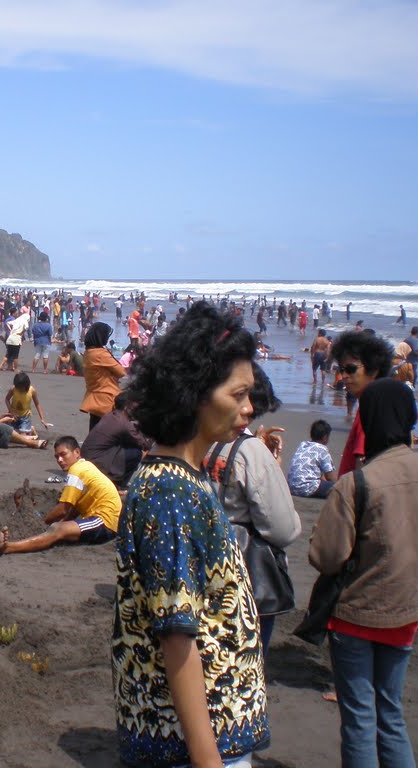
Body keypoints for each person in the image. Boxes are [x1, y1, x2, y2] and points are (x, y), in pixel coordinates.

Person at [112, 301, 268, 768]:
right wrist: (207, 760)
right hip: (195, 745)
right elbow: (176, 634)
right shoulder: (169, 491)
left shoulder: (188, 475)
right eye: (238, 394)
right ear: (194, 393)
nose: (249, 407)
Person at [308, 377, 418, 767]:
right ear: (412, 418)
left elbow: (327, 557)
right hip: (405, 611)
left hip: (354, 615)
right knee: (392, 713)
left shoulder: (355, 484)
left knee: (360, 719)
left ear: (366, 420)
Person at [205, 364, 301, 652]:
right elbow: (282, 528)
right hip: (242, 573)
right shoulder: (250, 451)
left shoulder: (198, 442)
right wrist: (268, 462)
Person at [0, 436, 121, 555]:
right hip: (106, 521)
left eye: (63, 454)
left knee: (58, 530)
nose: (59, 460)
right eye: (56, 457)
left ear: (77, 452)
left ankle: (8, 547)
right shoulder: (85, 467)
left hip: (106, 523)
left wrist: (40, 523)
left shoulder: (77, 470)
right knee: (59, 529)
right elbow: (74, 508)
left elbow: (63, 508)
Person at [332, 330, 394, 476]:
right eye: (342, 370)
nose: (344, 375)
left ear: (373, 370)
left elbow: (362, 464)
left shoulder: (369, 413)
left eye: (351, 369)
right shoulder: (373, 405)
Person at [79, 392, 152, 487]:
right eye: (134, 408)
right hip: (97, 462)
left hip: (88, 458)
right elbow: (145, 445)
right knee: (136, 453)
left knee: (129, 445)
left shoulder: (111, 416)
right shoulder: (123, 423)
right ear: (126, 407)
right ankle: (119, 485)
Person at [79, 322, 125, 431]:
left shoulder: (88, 353)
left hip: (94, 396)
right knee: (108, 433)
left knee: (95, 430)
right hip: (107, 397)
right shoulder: (101, 354)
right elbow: (121, 371)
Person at [287, 419, 337, 498]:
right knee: (337, 487)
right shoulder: (322, 449)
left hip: (291, 487)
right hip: (307, 488)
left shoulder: (303, 445)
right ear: (325, 437)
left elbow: (315, 472)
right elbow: (329, 476)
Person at [4, 371, 49, 437]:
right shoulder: (13, 389)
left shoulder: (32, 390)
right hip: (13, 416)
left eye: (22, 388)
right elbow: (6, 399)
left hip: (25, 416)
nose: (20, 389)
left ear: (27, 385)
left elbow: (37, 404)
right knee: (9, 433)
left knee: (22, 436)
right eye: (18, 388)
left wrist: (42, 419)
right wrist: (11, 411)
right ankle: (30, 429)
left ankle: (28, 430)